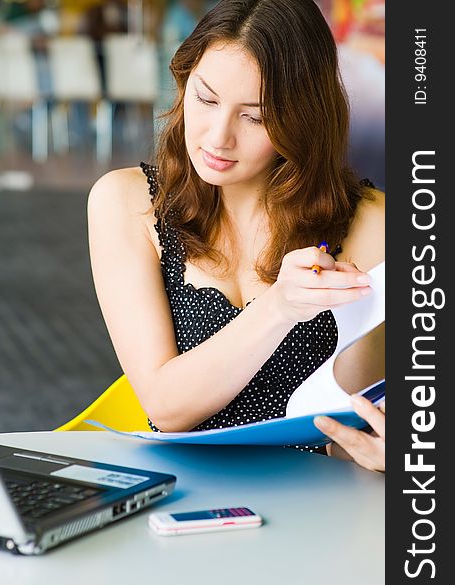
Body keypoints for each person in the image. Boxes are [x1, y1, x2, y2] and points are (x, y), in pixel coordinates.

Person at [87, 0, 385, 471]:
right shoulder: (127, 203)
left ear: (302, 120)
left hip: (320, 498)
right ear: (184, 83)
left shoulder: (372, 223)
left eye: (255, 116)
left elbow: (356, 425)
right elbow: (166, 409)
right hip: (176, 490)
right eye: (206, 99)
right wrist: (279, 307)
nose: (218, 137)